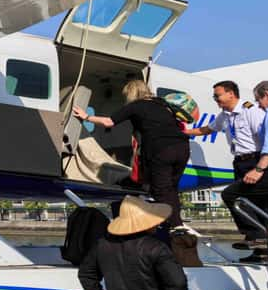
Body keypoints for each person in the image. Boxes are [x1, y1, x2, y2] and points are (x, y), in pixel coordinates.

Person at [73, 80, 191, 231]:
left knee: (160, 190)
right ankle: (177, 223)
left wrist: (86, 117)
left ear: (131, 94)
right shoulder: (163, 104)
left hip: (162, 149)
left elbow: (109, 122)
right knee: (171, 189)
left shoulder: (135, 106)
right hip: (182, 148)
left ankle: (176, 226)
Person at [183, 81, 266, 253]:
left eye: (217, 95)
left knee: (241, 199)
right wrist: (184, 133)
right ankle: (260, 248)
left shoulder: (250, 110)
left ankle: (261, 240)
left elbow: (266, 138)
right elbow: (207, 129)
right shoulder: (225, 115)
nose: (215, 99)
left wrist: (260, 167)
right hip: (240, 162)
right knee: (246, 202)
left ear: (231, 94)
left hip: (255, 160)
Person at [221, 81, 268, 262]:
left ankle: (258, 237)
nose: (259, 105)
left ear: (267, 95)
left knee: (232, 195)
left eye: (259, 100)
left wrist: (258, 170)